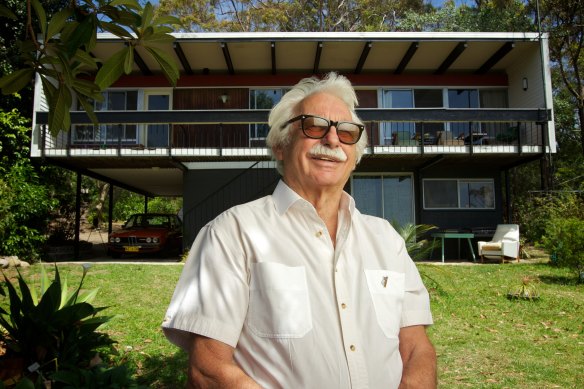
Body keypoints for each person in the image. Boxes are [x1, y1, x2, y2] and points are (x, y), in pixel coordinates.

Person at [162, 72, 437, 388]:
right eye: (315, 126)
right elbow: (209, 369)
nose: (332, 139)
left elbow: (417, 348)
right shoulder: (231, 234)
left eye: (347, 132)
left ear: (355, 157)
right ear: (281, 145)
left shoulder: (387, 240)